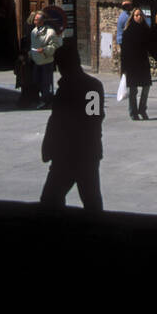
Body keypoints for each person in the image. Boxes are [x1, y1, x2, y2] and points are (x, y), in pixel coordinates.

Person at [40, 40, 104, 214]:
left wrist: (49, 147)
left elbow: (57, 123)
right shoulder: (94, 86)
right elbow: (95, 119)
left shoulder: (66, 89)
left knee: (50, 200)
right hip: (87, 153)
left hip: (68, 154)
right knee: (91, 201)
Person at [121, 5, 152, 120]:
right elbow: (124, 51)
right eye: (136, 15)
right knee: (133, 90)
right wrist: (123, 68)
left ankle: (142, 109)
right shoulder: (128, 31)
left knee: (146, 86)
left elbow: (151, 46)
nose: (139, 17)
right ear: (133, 16)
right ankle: (133, 112)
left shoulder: (146, 30)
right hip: (132, 64)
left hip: (143, 63)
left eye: (140, 15)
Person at [30, 9, 62, 108]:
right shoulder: (34, 31)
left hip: (46, 61)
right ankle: (40, 99)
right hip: (36, 61)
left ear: (42, 21)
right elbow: (33, 45)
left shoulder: (50, 32)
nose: (34, 21)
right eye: (34, 20)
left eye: (36, 20)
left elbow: (55, 45)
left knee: (46, 83)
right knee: (36, 81)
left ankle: (46, 101)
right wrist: (30, 54)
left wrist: (44, 50)